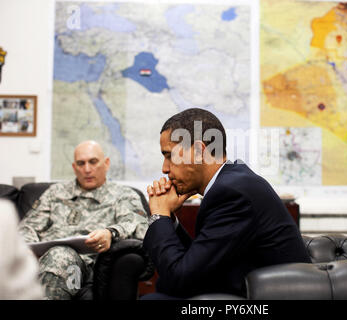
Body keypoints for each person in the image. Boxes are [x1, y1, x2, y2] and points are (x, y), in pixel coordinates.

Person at [142, 108, 311, 299]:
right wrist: (169, 217)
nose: (164, 169)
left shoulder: (232, 194)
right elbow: (193, 267)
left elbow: (179, 277)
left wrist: (159, 215)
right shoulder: (233, 183)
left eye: (169, 156)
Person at [18, 140, 149, 300]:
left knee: (59, 256)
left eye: (93, 162)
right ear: (74, 167)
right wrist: (27, 251)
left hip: (86, 265)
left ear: (106, 163)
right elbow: (28, 228)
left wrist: (111, 233)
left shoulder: (123, 195)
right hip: (41, 260)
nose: (87, 169)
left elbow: (139, 227)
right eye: (81, 163)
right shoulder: (55, 193)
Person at [0, 200, 44, 299]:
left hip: (83, 256)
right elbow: (29, 226)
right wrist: (28, 247)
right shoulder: (55, 192)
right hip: (46, 250)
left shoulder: (4, 213)